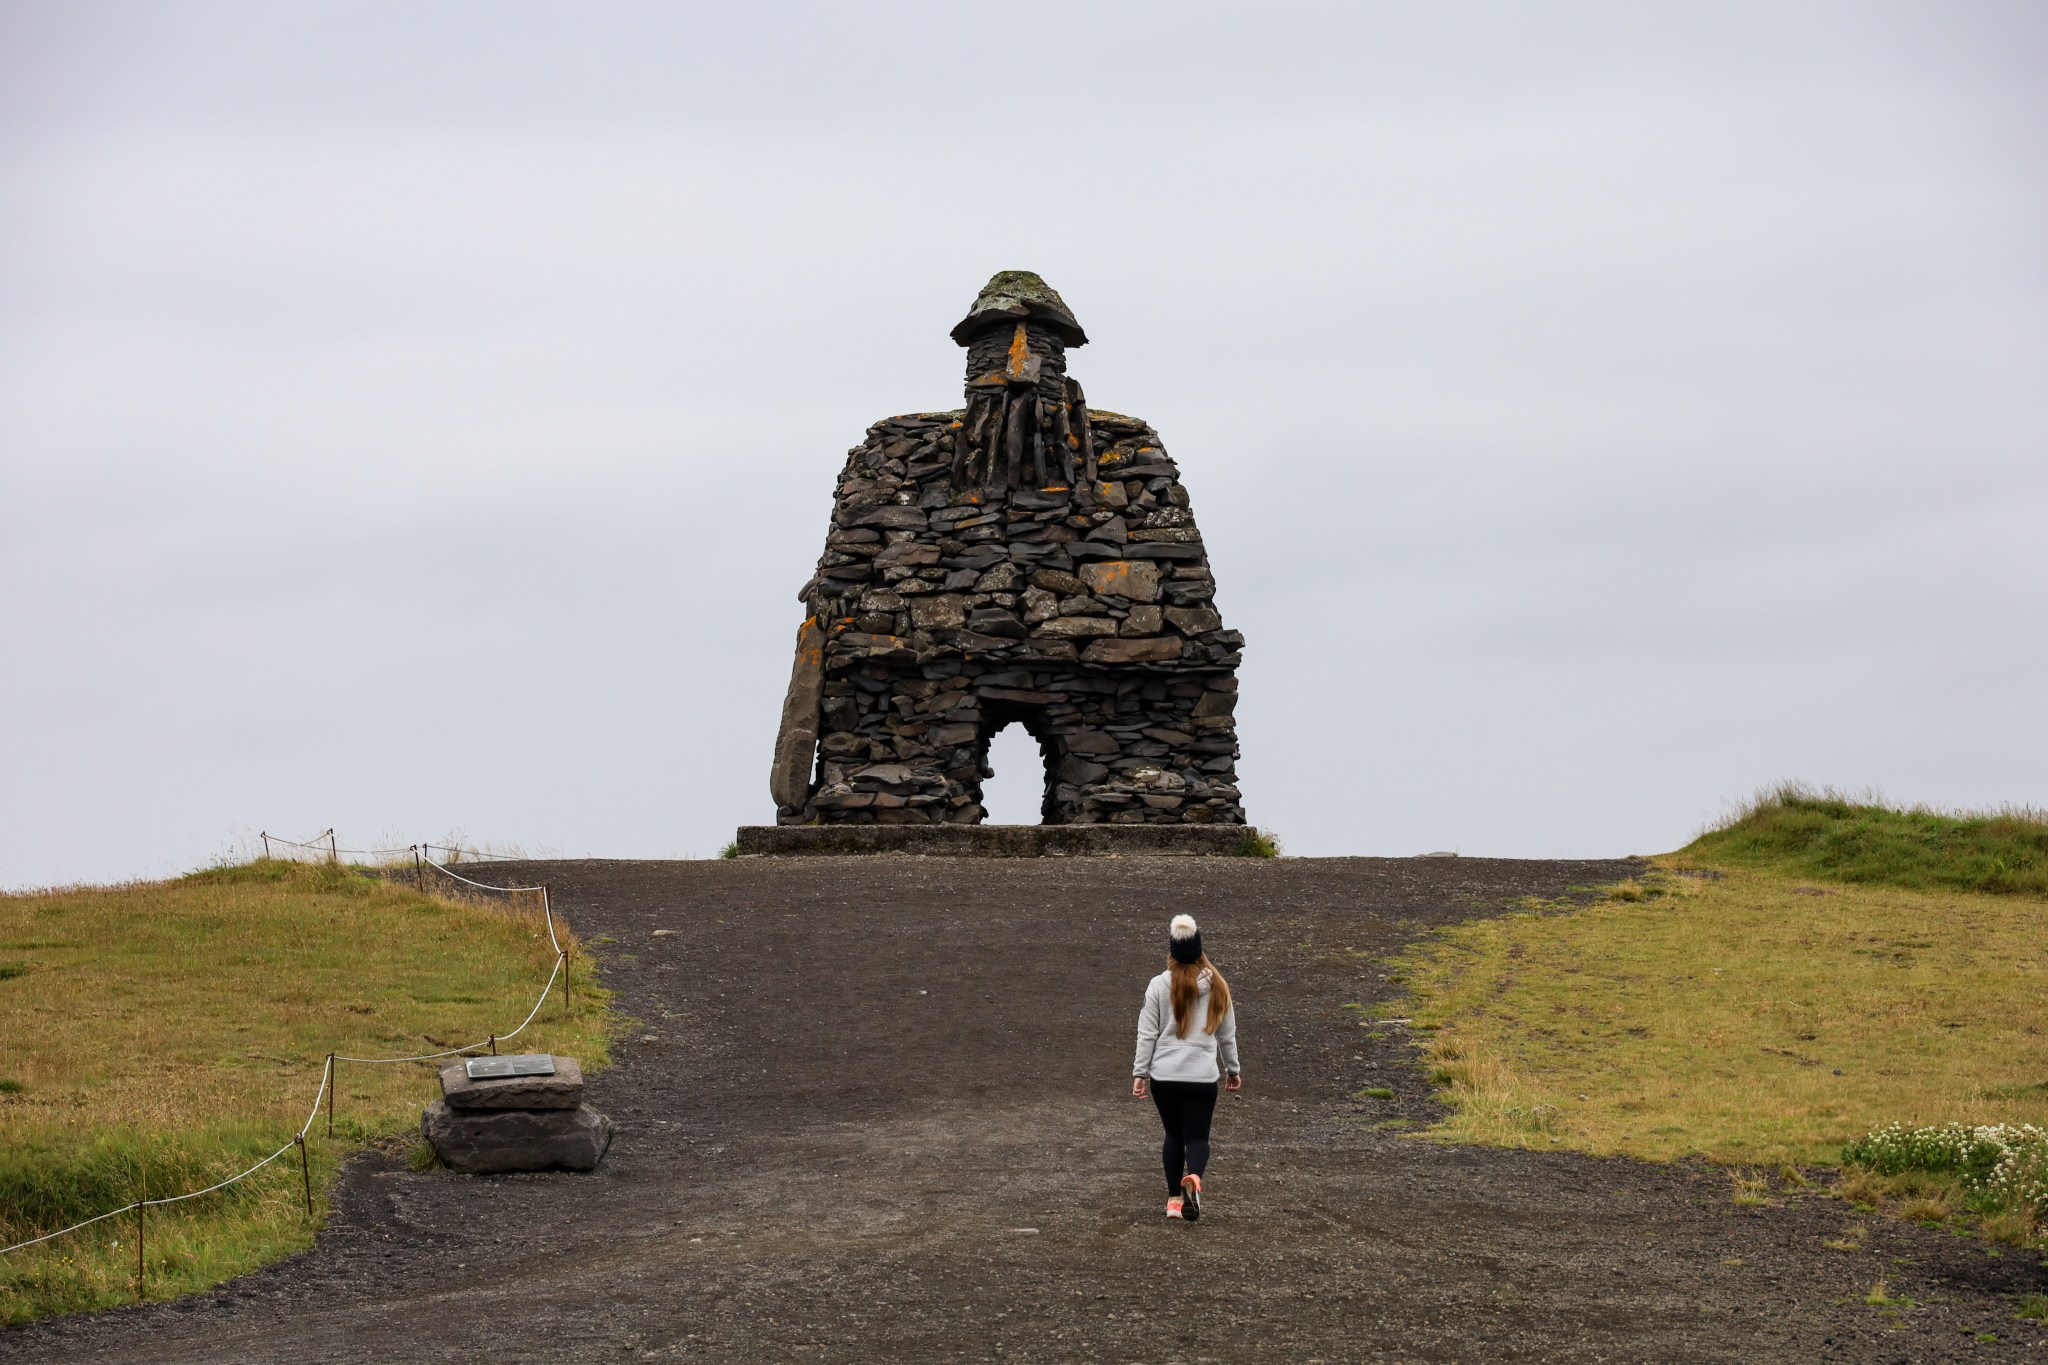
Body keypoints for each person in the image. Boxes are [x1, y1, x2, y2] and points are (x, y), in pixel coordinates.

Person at [1131, 913, 1241, 1221]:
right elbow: (1227, 1034)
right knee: (1197, 1138)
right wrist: (1232, 1070)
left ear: (1172, 952)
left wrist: (1140, 1072)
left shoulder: (1157, 985)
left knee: (1173, 1135)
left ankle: (1173, 1202)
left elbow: (1147, 1033)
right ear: (1199, 950)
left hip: (1164, 1076)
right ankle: (1193, 1176)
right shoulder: (1218, 986)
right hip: (1201, 1075)